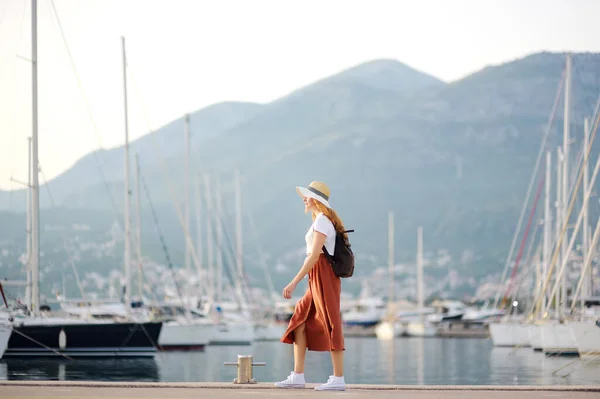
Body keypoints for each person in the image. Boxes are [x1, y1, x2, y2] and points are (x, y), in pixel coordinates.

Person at [275, 181, 347, 391]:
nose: (304, 199)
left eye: (306, 196)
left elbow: (315, 255)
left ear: (316, 199)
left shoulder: (323, 220)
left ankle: (338, 378)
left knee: (330, 321)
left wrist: (294, 281)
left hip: (322, 272)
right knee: (300, 319)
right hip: (317, 274)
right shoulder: (320, 220)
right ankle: (297, 375)